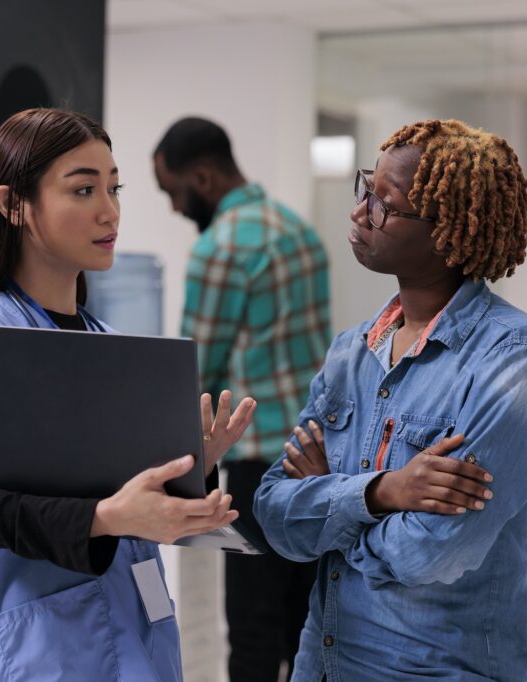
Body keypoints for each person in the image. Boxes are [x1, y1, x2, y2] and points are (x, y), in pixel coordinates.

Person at [0, 108, 257, 682]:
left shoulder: (111, 345)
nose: (109, 210)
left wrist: (186, 470)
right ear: (13, 204)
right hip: (40, 649)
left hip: (138, 635)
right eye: (84, 189)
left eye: (114, 188)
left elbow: (115, 493)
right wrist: (106, 516)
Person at [254, 119, 527, 682]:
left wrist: (328, 502)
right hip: (323, 665)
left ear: (447, 230)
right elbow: (276, 515)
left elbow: (431, 554)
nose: (359, 213)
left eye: (385, 203)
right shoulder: (351, 352)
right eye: (365, 190)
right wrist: (384, 492)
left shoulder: (516, 358)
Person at [153, 117, 331, 681]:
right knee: (308, 623)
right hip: (319, 457)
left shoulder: (219, 248)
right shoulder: (298, 229)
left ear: (202, 176)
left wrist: (178, 474)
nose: (176, 208)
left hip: (261, 471)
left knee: (253, 631)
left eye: (173, 191)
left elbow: (195, 373)